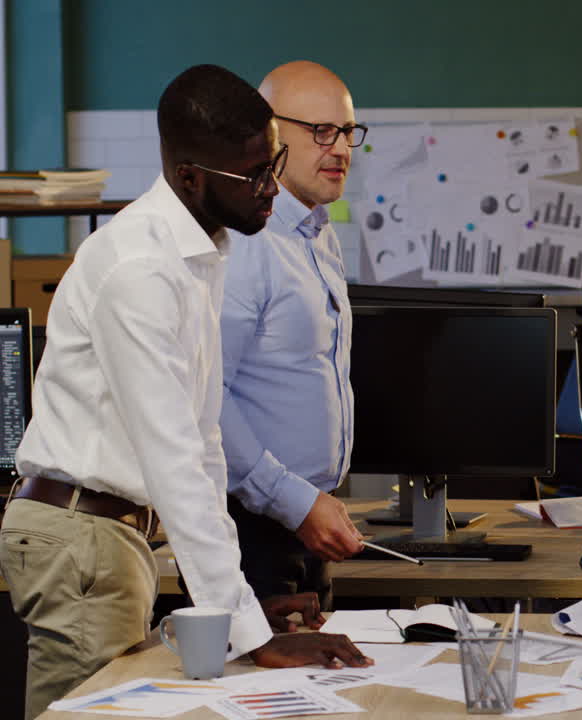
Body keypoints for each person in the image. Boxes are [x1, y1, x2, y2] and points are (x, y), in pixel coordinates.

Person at [0, 64, 369, 720]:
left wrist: (246, 612)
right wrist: (251, 633)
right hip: (81, 538)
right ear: (190, 177)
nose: (270, 188)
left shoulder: (206, 252)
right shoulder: (142, 271)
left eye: (273, 162)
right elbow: (175, 459)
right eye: (254, 174)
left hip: (115, 537)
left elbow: (202, 444)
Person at [219, 61, 365, 611]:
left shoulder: (316, 232)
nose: (342, 148)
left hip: (307, 521)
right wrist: (293, 502)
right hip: (253, 527)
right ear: (270, 135)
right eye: (322, 131)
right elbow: (209, 398)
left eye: (349, 132)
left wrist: (310, 505)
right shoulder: (248, 241)